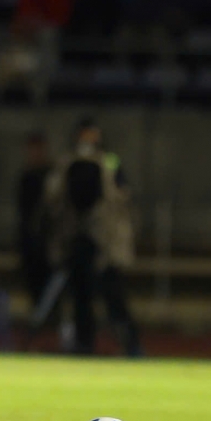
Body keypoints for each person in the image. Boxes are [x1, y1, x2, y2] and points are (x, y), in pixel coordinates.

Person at [45, 119, 141, 357]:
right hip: (77, 237)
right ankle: (83, 344)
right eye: (84, 135)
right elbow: (53, 198)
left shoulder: (109, 162)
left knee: (114, 296)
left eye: (92, 135)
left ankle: (131, 345)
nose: (88, 141)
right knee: (81, 297)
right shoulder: (67, 162)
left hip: (105, 239)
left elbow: (122, 198)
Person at [17, 130, 52, 310]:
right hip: (30, 238)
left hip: (47, 239)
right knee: (33, 281)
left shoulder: (49, 175)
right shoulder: (26, 176)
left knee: (48, 283)